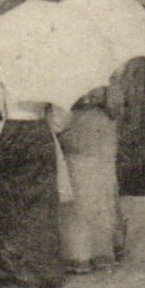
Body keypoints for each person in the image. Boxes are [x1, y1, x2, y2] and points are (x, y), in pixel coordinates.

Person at [0, 76, 69, 288]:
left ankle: (15, 258)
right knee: (39, 200)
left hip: (9, 133)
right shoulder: (47, 69)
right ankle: (40, 268)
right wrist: (50, 127)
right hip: (39, 132)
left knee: (6, 195)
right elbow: (63, 112)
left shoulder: (2, 69)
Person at [57, 71, 128, 274]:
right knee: (90, 183)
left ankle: (83, 252)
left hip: (85, 125)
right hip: (89, 125)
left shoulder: (73, 63)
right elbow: (116, 106)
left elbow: (115, 106)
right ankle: (92, 249)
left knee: (86, 184)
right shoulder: (103, 65)